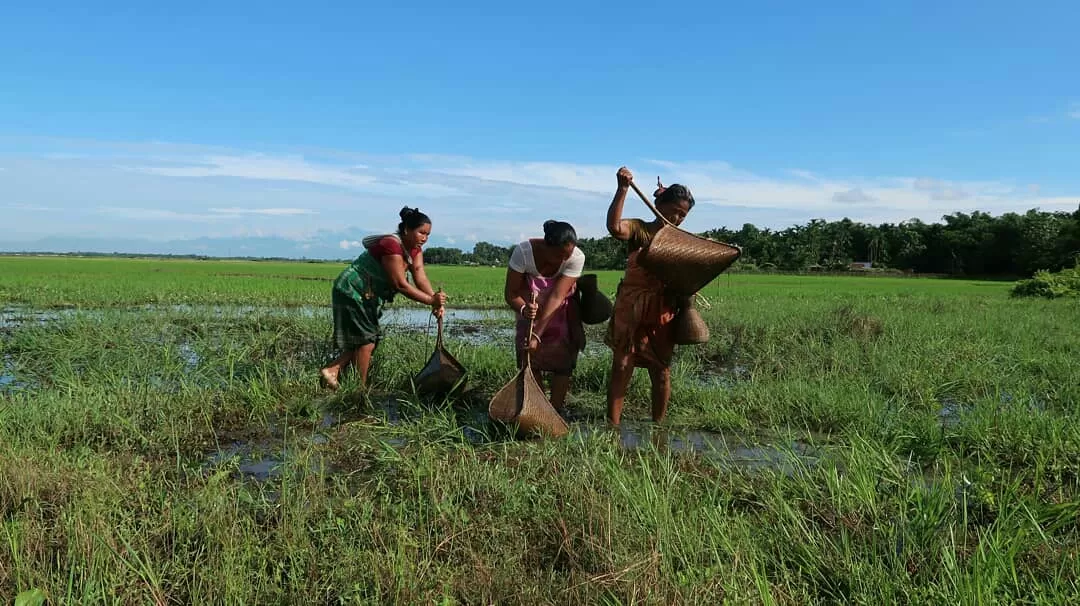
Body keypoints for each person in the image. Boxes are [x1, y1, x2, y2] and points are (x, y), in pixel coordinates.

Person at [604, 166, 696, 425]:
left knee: (661, 371)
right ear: (660, 205)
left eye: (683, 214)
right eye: (675, 211)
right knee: (622, 366)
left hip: (662, 311)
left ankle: (659, 426)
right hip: (630, 308)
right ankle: (613, 425)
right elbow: (614, 227)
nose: (678, 218)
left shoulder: (681, 241)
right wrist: (622, 189)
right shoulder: (639, 229)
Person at [319, 207, 448, 390]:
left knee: (366, 338)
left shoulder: (415, 250)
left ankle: (334, 371)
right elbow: (400, 284)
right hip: (352, 290)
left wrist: (435, 300)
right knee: (366, 340)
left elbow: (420, 276)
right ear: (406, 230)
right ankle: (359, 390)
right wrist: (430, 301)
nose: (424, 238)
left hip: (366, 295)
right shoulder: (391, 245)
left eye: (428, 234)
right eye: (421, 232)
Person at [503, 220, 586, 413]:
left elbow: (557, 297)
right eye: (558, 255)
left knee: (562, 361)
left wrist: (537, 335)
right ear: (546, 245)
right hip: (529, 305)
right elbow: (510, 293)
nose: (563, 260)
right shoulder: (523, 252)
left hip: (559, 310)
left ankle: (555, 411)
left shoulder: (576, 257)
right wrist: (524, 309)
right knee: (529, 357)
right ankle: (538, 409)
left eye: (566, 256)